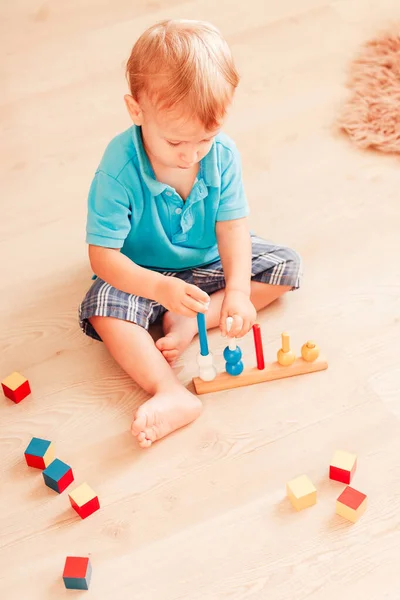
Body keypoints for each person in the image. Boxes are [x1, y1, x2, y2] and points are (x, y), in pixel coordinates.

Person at [78, 19, 302, 448]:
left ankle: (188, 322)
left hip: (208, 261)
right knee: (102, 305)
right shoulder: (118, 169)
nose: (191, 154)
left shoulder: (221, 154)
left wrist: (236, 291)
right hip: (143, 273)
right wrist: (158, 287)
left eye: (205, 138)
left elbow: (233, 226)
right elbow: (103, 258)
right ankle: (169, 391)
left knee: (285, 265)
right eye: (177, 142)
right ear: (136, 110)